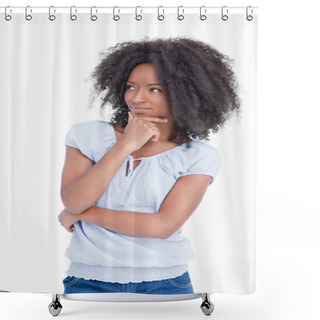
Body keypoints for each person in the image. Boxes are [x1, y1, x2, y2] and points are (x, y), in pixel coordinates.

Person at [58, 37, 240, 295]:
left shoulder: (198, 156)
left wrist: (82, 215)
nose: (137, 98)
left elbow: (161, 227)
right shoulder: (87, 136)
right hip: (87, 280)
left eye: (154, 89)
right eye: (131, 87)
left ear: (185, 94)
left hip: (165, 283)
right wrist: (125, 145)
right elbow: (74, 201)